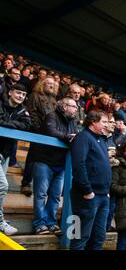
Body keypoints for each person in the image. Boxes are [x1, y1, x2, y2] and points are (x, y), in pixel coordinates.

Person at [31, 97, 78, 235]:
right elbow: (51, 131)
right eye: (74, 106)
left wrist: (71, 136)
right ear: (64, 107)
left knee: (56, 196)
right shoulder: (52, 116)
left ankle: (51, 223)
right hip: (44, 160)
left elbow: (76, 136)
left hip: (61, 163)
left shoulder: (73, 121)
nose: (76, 109)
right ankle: (39, 224)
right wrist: (67, 136)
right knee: (41, 194)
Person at [70, 111, 112, 250]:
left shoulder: (100, 139)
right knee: (80, 237)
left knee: (99, 237)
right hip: (87, 195)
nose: (106, 125)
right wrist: (87, 190)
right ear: (93, 121)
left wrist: (106, 192)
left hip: (103, 195)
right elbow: (78, 165)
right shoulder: (83, 137)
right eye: (104, 122)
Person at [0, 84, 31, 235]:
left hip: (5, 153)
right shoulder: (0, 102)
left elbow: (27, 126)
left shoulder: (22, 110)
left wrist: (9, 124)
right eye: (18, 93)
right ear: (11, 92)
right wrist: (14, 125)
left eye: (23, 94)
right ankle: (0, 222)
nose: (20, 96)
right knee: (3, 185)